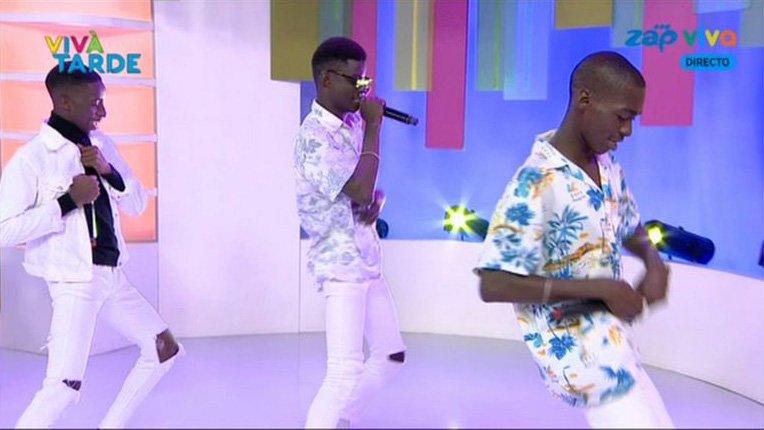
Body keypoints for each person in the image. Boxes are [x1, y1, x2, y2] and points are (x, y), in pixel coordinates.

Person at [474, 51, 674, 428]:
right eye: (623, 116)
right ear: (585, 99)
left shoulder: (607, 166)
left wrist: (653, 260)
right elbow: (493, 283)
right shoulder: (535, 182)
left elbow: (629, 223)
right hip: (580, 359)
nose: (628, 131)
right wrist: (601, 289)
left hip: (615, 345)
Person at [0, 62, 183, 429]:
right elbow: (5, 230)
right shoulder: (33, 158)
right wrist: (67, 201)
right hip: (74, 283)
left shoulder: (102, 145)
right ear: (65, 103)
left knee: (163, 349)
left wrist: (108, 171)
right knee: (63, 386)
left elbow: (136, 203)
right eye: (95, 103)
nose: (103, 112)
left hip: (113, 276)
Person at [293, 36, 406, 429]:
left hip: (366, 258)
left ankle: (340, 419)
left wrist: (371, 204)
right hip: (340, 264)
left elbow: (358, 190)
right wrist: (375, 126)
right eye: (355, 80)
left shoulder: (352, 123)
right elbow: (357, 187)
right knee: (343, 372)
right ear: (326, 79)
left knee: (391, 355)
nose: (363, 89)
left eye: (365, 80)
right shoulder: (312, 138)